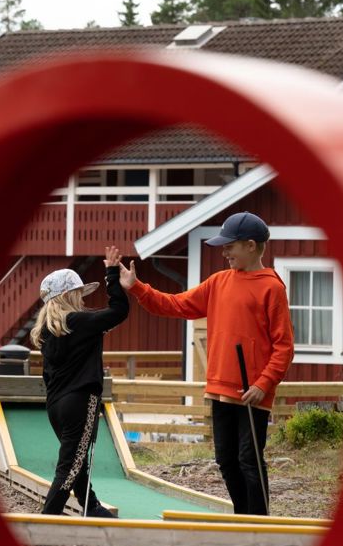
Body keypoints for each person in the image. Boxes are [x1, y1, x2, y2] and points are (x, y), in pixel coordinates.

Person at [119, 212, 294, 515]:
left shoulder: (272, 288)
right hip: (219, 388)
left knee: (249, 460)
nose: (224, 252)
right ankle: (243, 517)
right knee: (225, 459)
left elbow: (284, 346)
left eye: (230, 247)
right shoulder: (218, 282)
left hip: (252, 393)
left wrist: (262, 384)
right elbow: (176, 304)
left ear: (251, 246)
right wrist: (137, 287)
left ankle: (262, 525)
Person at [32, 247, 128, 518]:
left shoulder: (47, 331)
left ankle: (91, 506)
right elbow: (119, 311)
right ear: (69, 296)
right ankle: (48, 519)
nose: (83, 300)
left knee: (77, 462)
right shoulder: (78, 321)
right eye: (79, 294)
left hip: (55, 406)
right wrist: (111, 274)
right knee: (71, 466)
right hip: (80, 401)